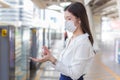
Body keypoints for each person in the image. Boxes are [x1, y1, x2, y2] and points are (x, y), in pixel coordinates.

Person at [30, 2, 95, 80]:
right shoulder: (71, 39)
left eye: (69, 19)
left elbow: (75, 74)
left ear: (79, 19)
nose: (66, 22)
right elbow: (63, 66)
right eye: (65, 19)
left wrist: (53, 60)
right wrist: (49, 58)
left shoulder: (83, 43)